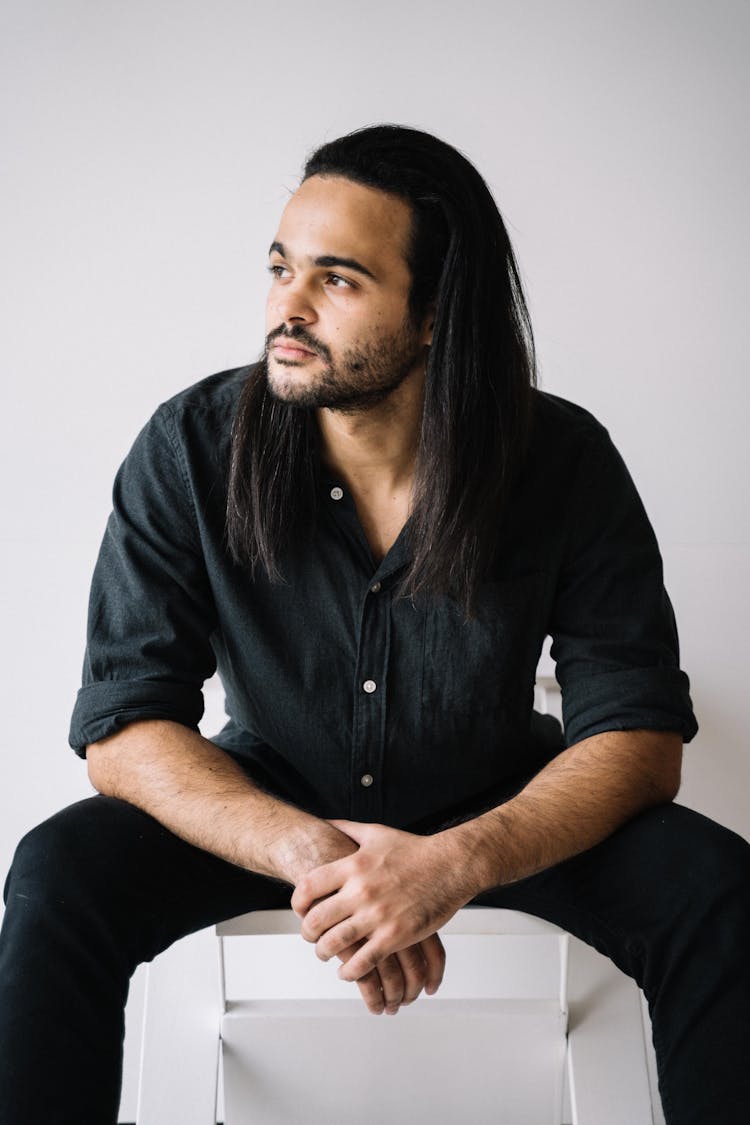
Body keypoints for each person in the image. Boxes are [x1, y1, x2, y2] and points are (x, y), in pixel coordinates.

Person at [1, 124, 748, 1125]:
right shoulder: (191, 446)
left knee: (715, 888)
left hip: (497, 801)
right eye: (281, 267)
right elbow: (125, 728)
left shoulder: (563, 460)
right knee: (58, 874)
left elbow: (638, 737)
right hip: (269, 802)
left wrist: (453, 864)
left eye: (338, 279)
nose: (287, 308)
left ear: (436, 312)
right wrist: (317, 856)